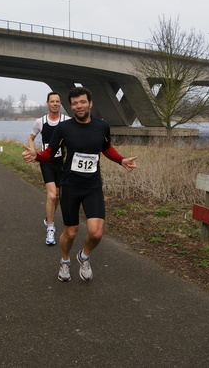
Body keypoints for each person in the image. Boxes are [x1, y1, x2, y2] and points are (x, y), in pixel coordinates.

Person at [22, 86, 137, 282]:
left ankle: (83, 256)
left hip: (92, 186)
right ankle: (65, 261)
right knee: (71, 232)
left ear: (90, 103)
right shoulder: (64, 128)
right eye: (74, 103)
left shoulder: (102, 126)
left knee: (97, 232)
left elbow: (106, 147)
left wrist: (121, 160)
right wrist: (37, 156)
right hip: (70, 186)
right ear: (71, 106)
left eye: (82, 102)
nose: (78, 106)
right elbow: (49, 153)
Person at [27, 92, 69, 245]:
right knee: (52, 195)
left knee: (57, 195)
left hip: (61, 162)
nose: (55, 104)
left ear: (60, 103)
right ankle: (50, 228)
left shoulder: (66, 121)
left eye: (58, 101)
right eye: (52, 101)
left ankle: (48, 218)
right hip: (46, 162)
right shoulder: (40, 122)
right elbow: (31, 137)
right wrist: (33, 153)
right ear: (47, 103)